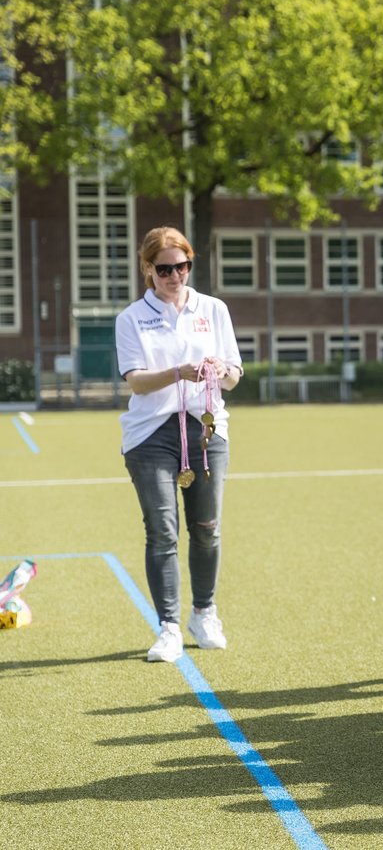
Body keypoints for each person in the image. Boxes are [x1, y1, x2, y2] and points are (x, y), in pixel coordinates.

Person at [115, 226, 242, 663]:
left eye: (183, 266)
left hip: (206, 430)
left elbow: (234, 376)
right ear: (148, 269)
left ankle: (204, 613)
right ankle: (168, 626)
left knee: (207, 530)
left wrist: (220, 368)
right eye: (165, 269)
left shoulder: (214, 309)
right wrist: (178, 372)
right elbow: (135, 380)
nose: (175, 276)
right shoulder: (131, 318)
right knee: (163, 532)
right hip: (150, 434)